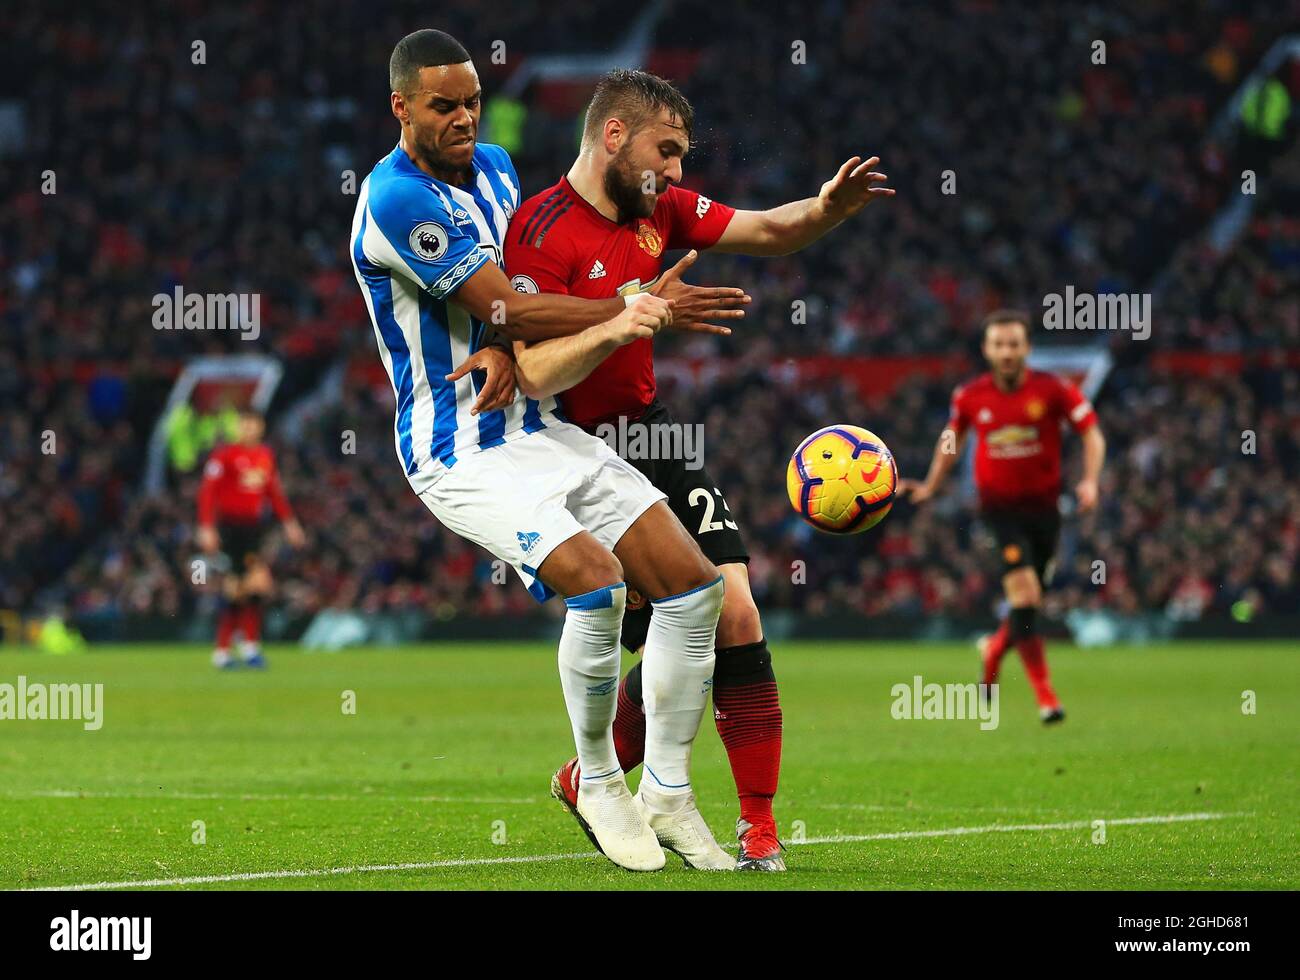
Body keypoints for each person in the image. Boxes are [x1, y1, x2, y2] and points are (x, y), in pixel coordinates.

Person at [350, 31, 751, 871]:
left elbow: (520, 296)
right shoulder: (394, 199)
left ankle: (669, 795)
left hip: (535, 424)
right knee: (596, 582)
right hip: (456, 445)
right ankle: (599, 780)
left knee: (694, 587)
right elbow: (512, 307)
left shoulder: (496, 167)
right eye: (441, 106)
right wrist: (635, 306)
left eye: (470, 101)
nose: (464, 118)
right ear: (401, 108)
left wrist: (513, 337)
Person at [504, 68, 894, 870]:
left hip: (648, 434)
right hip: (565, 449)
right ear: (614, 136)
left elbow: (770, 230)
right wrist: (630, 315)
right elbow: (536, 373)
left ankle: (757, 825)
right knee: (671, 626)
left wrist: (825, 210)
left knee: (737, 612)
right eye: (668, 152)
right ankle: (599, 777)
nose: (680, 174)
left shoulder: (661, 210)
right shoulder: (539, 233)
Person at [900, 310, 1107, 722]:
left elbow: (1091, 432)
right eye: (999, 344)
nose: (1007, 352)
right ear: (987, 349)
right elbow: (950, 439)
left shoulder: (1054, 390)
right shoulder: (970, 396)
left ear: (1027, 348)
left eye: (1014, 344)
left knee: (1027, 608)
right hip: (997, 512)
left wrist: (1090, 481)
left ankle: (994, 650)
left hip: (1045, 513)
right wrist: (930, 485)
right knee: (1027, 597)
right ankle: (1046, 697)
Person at [197, 409, 305, 669]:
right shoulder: (224, 455)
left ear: (261, 427)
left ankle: (231, 650)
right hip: (231, 528)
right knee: (252, 585)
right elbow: (207, 492)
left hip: (254, 528)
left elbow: (273, 492)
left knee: (243, 589)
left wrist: (290, 523)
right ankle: (241, 648)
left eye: (253, 424)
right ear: (238, 427)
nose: (249, 429)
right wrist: (206, 527)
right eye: (244, 424)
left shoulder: (264, 456)